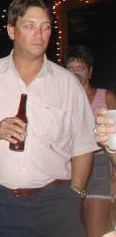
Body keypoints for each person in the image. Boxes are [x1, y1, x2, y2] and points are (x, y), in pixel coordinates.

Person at [0, 0, 98, 236]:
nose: (39, 34)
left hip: (56, 203)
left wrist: (76, 193)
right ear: (11, 31)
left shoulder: (68, 84)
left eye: (45, 27)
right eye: (29, 26)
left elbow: (83, 145)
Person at [66, 45, 116, 237]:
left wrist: (114, 175)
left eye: (81, 68)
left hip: (100, 165)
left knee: (95, 232)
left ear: (90, 71)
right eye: (71, 68)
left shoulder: (106, 96)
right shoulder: (63, 99)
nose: (75, 72)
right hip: (68, 166)